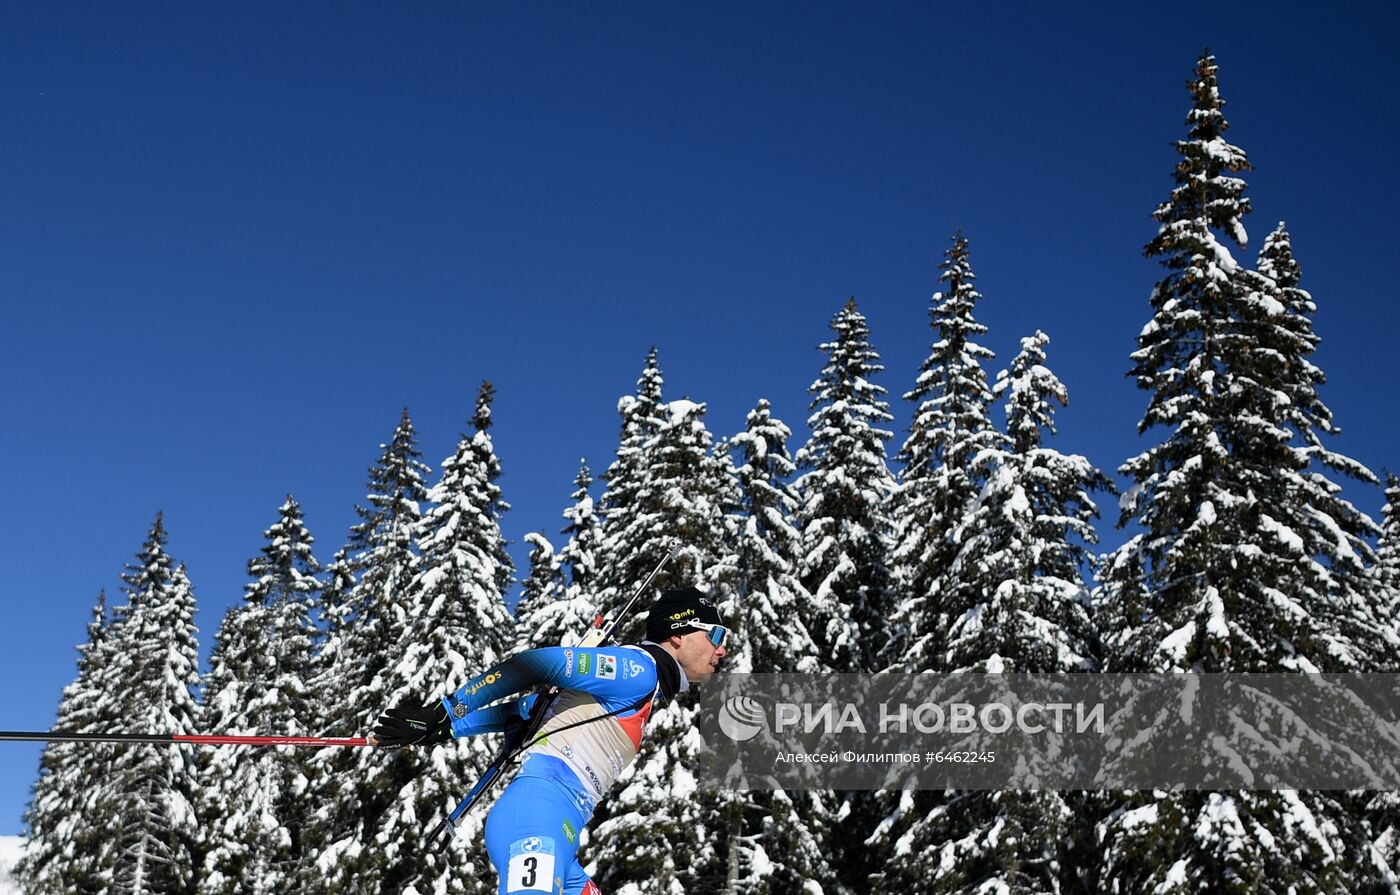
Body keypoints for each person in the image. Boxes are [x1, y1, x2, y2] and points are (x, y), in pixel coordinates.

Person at [373, 586, 728, 895]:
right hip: (535, 819)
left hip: (559, 832)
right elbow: (535, 665)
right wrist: (447, 710)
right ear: (679, 634)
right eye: (716, 635)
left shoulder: (644, 689)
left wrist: (447, 729)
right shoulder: (638, 671)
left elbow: (528, 711)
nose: (722, 649)